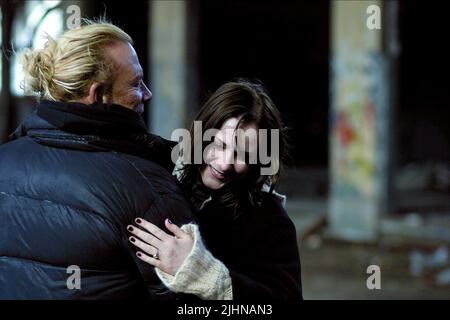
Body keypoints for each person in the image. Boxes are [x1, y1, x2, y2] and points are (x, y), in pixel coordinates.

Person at [0, 20, 193, 299]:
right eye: (136, 83)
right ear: (98, 94)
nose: (147, 94)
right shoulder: (146, 189)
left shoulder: (4, 159)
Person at [128, 79, 303, 300]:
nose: (225, 163)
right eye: (220, 145)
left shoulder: (271, 221)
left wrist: (207, 276)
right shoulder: (161, 169)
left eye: (244, 155)